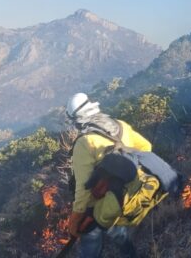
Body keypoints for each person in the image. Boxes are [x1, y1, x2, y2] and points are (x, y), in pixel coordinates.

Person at [66, 92, 151, 258]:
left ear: (76, 119)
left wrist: (75, 221)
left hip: (98, 207)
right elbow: (146, 147)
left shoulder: (84, 142)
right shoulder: (120, 125)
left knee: (90, 246)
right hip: (126, 194)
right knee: (120, 234)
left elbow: (83, 190)